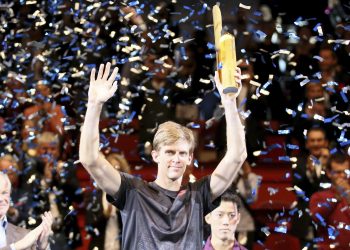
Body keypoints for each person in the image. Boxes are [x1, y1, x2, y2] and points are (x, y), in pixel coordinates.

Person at [79, 62, 246, 249]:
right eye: (170, 152)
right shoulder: (133, 192)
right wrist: (94, 104)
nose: (176, 159)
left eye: (182, 153)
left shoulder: (199, 195)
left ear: (190, 158)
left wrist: (230, 102)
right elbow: (89, 159)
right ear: (155, 155)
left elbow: (237, 156)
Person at [86, 153, 131, 250]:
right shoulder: (94, 196)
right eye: (111, 169)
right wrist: (104, 216)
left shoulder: (129, 197)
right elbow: (89, 228)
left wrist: (119, 210)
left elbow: (133, 228)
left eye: (118, 169)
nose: (114, 173)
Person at [0, 172, 53, 250]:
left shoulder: (24, 235)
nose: (1, 199)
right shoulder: (25, 241)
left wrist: (43, 246)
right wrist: (15, 247)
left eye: (4, 193)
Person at [309, 153, 350, 250]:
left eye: (346, 172)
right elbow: (316, 219)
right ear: (328, 173)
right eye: (338, 172)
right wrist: (335, 199)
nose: (343, 176)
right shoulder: (319, 196)